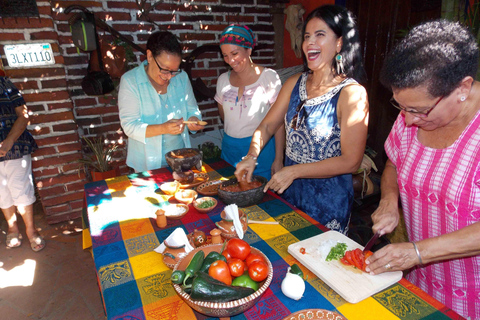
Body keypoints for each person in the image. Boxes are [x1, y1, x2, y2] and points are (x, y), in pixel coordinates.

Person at [365, 20, 480, 319]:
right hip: (421, 283)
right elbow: (394, 162)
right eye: (401, 106)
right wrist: (389, 201)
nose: (408, 120)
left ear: (463, 88)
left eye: (419, 110)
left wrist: (418, 252)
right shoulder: (411, 113)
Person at [235, 5, 369, 234]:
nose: (310, 43)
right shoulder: (294, 84)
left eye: (320, 35)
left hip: (328, 203)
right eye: (307, 36)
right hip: (290, 193)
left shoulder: (351, 94)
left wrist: (294, 171)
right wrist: (251, 156)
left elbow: (351, 162)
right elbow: (267, 125)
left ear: (339, 43)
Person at [118, 31, 204, 172]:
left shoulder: (181, 78)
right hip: (146, 164)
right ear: (150, 56)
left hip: (181, 160)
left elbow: (192, 109)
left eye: (174, 71)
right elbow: (129, 126)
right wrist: (163, 128)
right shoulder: (131, 81)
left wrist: (194, 119)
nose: (169, 76)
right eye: (164, 69)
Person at [215, 25, 283, 180]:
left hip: (261, 151)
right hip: (229, 149)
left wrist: (278, 158)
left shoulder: (268, 77)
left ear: (249, 50)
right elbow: (224, 117)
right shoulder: (223, 80)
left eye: (234, 53)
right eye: (225, 55)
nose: (230, 60)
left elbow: (278, 123)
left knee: (262, 197)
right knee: (230, 193)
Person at [0, 76, 45, 252]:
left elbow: (23, 115)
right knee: (1, 190)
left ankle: (31, 229)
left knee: (20, 186)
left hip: (14, 143)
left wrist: (9, 141)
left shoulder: (4, 84)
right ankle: (12, 228)